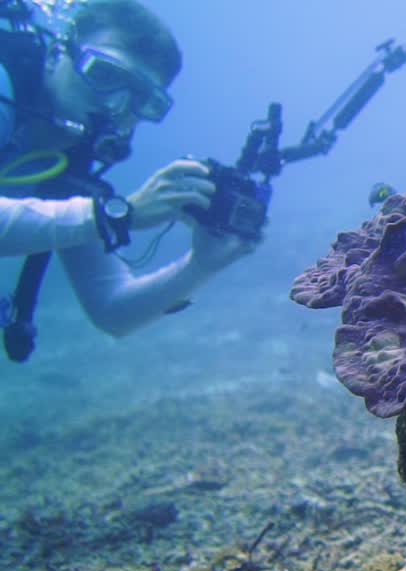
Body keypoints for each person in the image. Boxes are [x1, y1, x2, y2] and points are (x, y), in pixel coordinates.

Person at [0, 0, 252, 361]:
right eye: (103, 75)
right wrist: (115, 216)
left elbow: (113, 310)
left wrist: (199, 265)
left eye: (142, 100)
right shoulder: (3, 86)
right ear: (58, 54)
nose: (116, 107)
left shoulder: (71, 173)